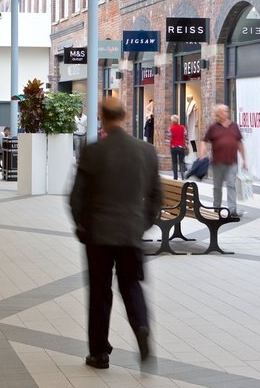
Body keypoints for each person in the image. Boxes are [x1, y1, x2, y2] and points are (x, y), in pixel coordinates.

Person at [69, 97, 161, 370]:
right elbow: (155, 196)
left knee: (100, 292)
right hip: (131, 232)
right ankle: (142, 328)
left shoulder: (93, 151)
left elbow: (76, 196)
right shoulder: (146, 151)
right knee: (131, 285)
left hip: (98, 234)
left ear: (102, 117)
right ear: (124, 115)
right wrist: (142, 223)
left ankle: (99, 353)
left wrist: (81, 225)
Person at [201, 104, 248, 217]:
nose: (226, 113)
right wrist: (202, 154)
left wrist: (244, 159)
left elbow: (239, 143)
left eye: (227, 111)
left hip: (232, 162)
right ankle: (216, 208)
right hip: (217, 162)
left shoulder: (234, 126)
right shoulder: (213, 128)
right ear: (218, 114)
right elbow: (204, 141)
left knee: (231, 185)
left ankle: (232, 210)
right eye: (223, 111)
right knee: (217, 187)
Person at [169, 114, 187, 179]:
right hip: (181, 146)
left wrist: (170, 143)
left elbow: (169, 138)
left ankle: (175, 177)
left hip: (173, 147)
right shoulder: (182, 128)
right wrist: (185, 144)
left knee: (174, 162)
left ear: (172, 121)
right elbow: (185, 136)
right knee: (181, 161)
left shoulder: (171, 128)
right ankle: (182, 175)